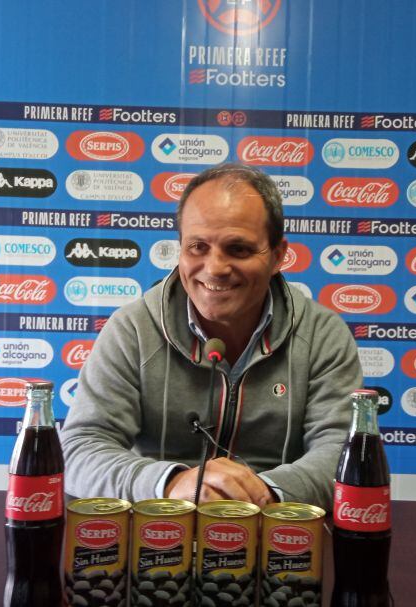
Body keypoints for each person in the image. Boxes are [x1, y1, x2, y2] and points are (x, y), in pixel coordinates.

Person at [59, 162, 362, 510]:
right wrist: (171, 482)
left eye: (239, 249)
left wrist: (264, 492)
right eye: (197, 247)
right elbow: (80, 448)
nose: (215, 268)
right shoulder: (133, 329)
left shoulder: (322, 335)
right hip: (160, 532)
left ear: (278, 255)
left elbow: (343, 451)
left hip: (279, 535)